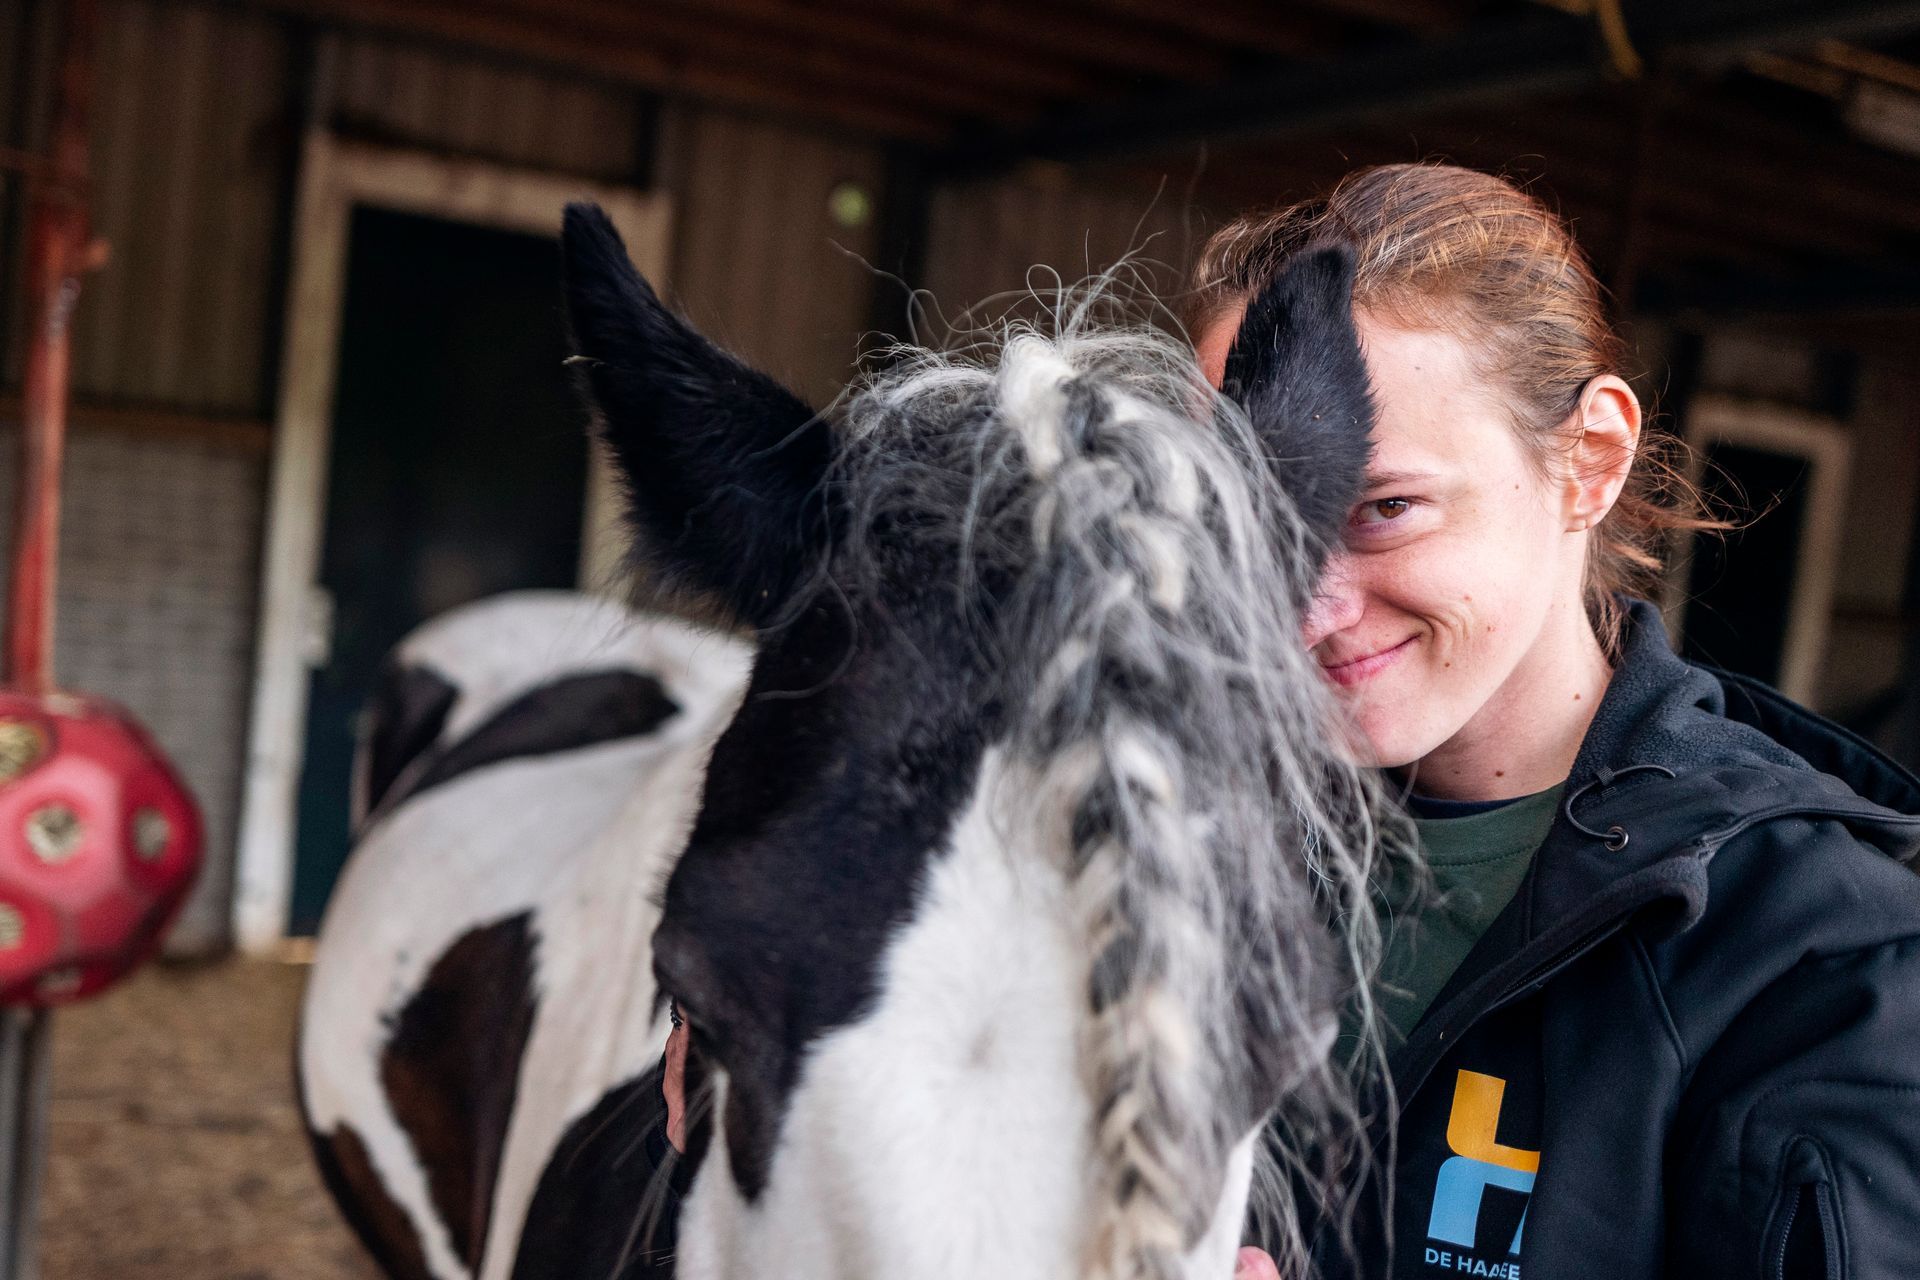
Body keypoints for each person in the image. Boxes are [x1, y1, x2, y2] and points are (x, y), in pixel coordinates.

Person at [663, 163, 1920, 1278]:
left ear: (1589, 460)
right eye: (1251, 519)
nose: (1302, 605)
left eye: (1381, 508)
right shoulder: (1166, 805)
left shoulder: (1824, 957)